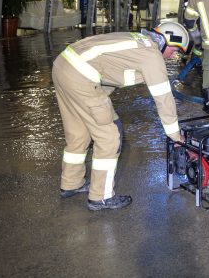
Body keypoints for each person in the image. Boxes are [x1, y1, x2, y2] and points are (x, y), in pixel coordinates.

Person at [53, 21, 191, 211]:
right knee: (110, 136)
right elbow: (163, 98)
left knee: (79, 133)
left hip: (63, 67)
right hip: (81, 77)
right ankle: (101, 197)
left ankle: (71, 183)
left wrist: (99, 99)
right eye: (175, 50)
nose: (174, 56)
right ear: (167, 40)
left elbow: (110, 72)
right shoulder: (152, 55)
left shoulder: (139, 41)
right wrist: (176, 136)